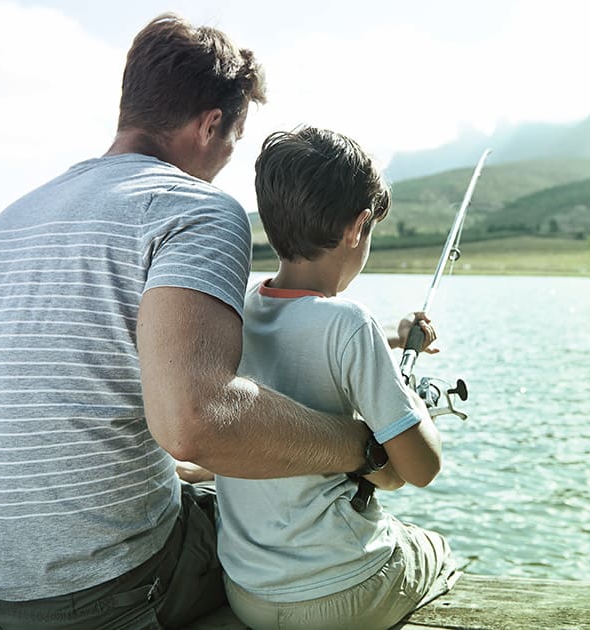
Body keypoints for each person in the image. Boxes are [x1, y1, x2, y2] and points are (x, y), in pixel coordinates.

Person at [0, 15, 373, 629]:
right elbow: (195, 422)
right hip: (89, 594)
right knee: (284, 532)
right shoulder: (196, 209)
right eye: (234, 139)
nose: (228, 159)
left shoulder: (15, 214)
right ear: (211, 124)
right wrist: (359, 445)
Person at [210, 126, 457, 630]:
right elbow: (421, 468)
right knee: (436, 548)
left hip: (247, 592)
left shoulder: (236, 310)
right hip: (340, 594)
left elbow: (302, 334)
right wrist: (410, 396)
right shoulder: (350, 322)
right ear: (357, 227)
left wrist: (391, 341)